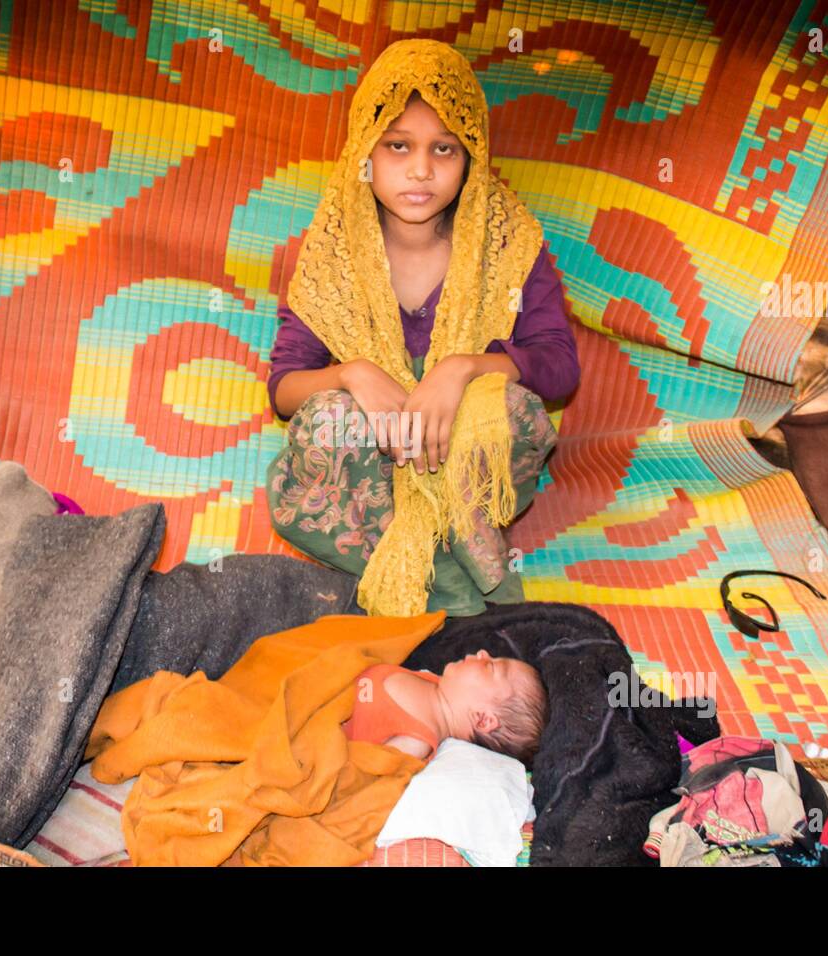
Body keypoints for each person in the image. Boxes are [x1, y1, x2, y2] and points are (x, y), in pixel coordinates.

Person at [266, 39, 580, 618]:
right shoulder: (333, 253)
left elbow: (558, 367)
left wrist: (461, 371)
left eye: (444, 149)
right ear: (365, 150)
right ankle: (461, 579)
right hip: (370, 471)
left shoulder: (506, 245)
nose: (420, 169)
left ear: (471, 159)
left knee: (510, 411)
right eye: (398, 146)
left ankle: (440, 552)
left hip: (464, 460)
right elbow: (284, 390)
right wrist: (354, 374)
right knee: (327, 420)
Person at [341, 649, 548, 767]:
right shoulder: (431, 681)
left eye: (490, 666)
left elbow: (359, 770)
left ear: (483, 719)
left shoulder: (416, 743)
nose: (483, 653)